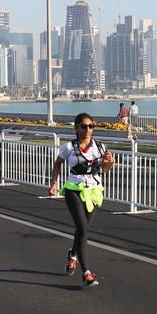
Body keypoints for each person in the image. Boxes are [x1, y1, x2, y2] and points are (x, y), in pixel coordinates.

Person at [49, 113, 115, 287]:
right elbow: (58, 164)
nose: (87, 130)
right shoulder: (68, 147)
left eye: (91, 126)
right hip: (74, 189)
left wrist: (110, 161)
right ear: (76, 128)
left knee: (82, 230)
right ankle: (86, 272)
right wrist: (54, 183)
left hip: (93, 191)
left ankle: (72, 255)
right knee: (82, 229)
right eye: (84, 126)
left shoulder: (100, 147)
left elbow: (105, 169)